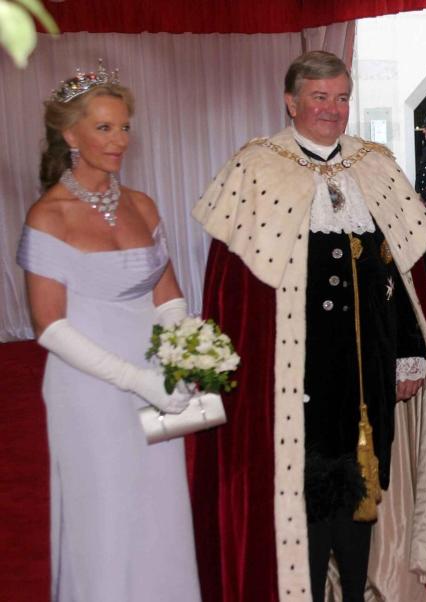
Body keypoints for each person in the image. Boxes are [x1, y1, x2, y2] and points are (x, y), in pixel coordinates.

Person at [190, 51, 426, 602]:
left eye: (342, 97)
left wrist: (408, 351)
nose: (332, 109)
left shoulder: (375, 165)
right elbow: (234, 290)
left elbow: (399, 272)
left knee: (364, 485)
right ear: (292, 101)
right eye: (319, 97)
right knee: (309, 487)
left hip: (368, 366)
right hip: (295, 368)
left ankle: (354, 590)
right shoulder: (257, 166)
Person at [17, 63, 200, 601]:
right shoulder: (48, 216)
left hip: (158, 383)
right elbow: (49, 326)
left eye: (124, 127)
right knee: (104, 511)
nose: (119, 140)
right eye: (104, 128)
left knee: (160, 510)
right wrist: (135, 379)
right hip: (88, 388)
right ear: (70, 135)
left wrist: (182, 361)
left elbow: (167, 294)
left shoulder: (142, 204)